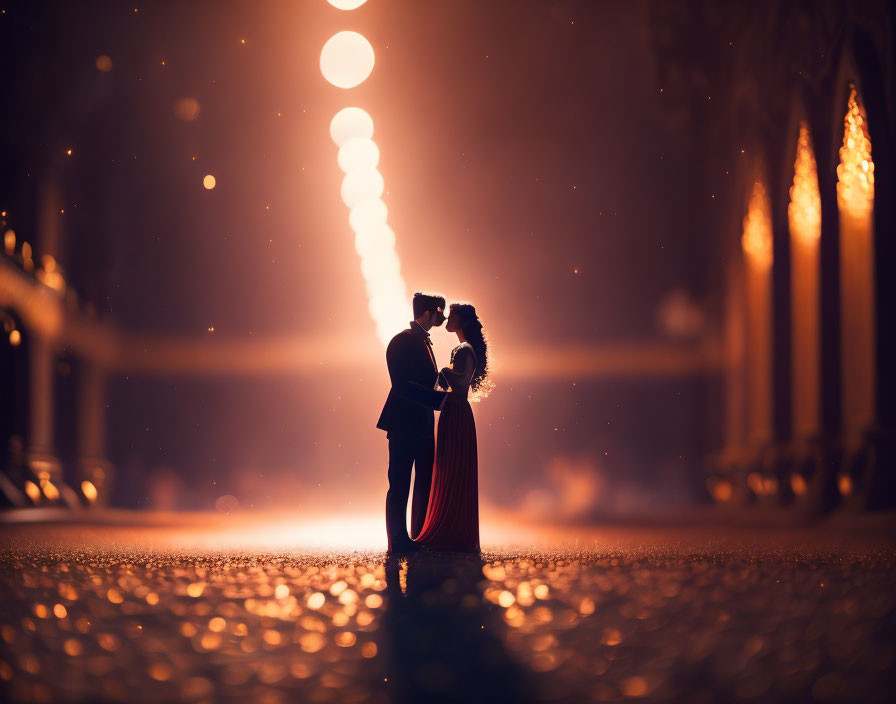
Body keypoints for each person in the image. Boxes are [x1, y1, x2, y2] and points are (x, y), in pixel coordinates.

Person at [376, 292, 449, 554]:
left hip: (421, 425)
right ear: (428, 312)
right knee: (400, 483)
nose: (443, 317)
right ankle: (398, 540)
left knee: (424, 482)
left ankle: (418, 534)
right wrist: (439, 400)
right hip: (404, 424)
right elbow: (402, 385)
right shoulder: (402, 341)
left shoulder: (420, 342)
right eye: (440, 312)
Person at [415, 303, 489, 552]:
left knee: (453, 466)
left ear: (462, 321)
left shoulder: (465, 350)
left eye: (453, 315)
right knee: (450, 466)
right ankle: (451, 526)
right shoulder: (463, 348)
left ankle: (451, 530)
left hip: (456, 409)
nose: (448, 318)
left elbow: (460, 382)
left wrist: (444, 371)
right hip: (453, 410)